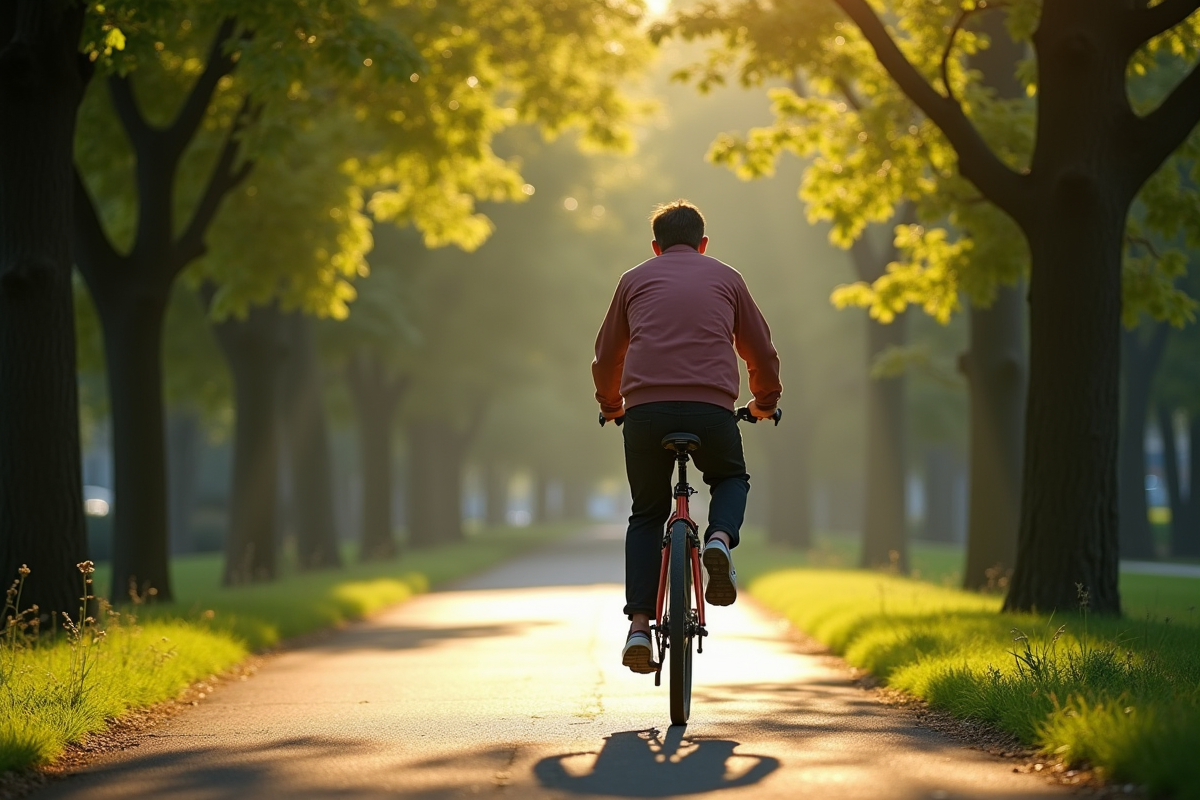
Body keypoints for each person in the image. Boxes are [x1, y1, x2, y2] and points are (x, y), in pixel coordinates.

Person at [592, 199, 782, 674]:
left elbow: (607, 357)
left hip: (645, 411)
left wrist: (611, 406)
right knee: (731, 478)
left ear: (655, 248)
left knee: (647, 514)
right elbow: (760, 350)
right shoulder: (727, 278)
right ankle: (718, 538)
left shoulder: (633, 280)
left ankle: (638, 626)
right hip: (712, 408)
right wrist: (764, 403)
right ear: (703, 244)